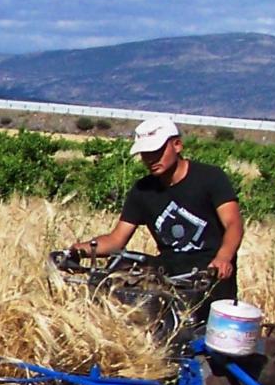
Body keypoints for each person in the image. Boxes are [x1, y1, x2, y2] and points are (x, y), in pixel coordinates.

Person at [72, 114, 244, 304]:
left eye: (157, 151)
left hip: (210, 279)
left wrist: (223, 257)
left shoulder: (210, 178)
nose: (151, 159)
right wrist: (79, 250)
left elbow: (233, 223)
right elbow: (116, 240)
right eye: (145, 154)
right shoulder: (143, 190)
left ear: (177, 145)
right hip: (167, 280)